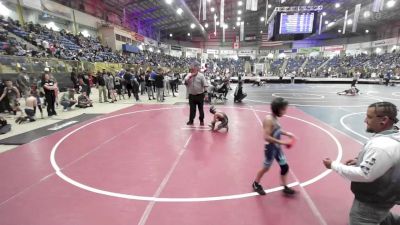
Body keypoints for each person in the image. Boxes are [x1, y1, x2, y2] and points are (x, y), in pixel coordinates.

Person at [323, 102, 400, 225]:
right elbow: (387, 161)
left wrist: (333, 165)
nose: (365, 120)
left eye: (369, 117)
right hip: (385, 196)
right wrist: (360, 161)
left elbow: (364, 174)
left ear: (384, 120)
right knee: (383, 217)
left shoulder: (382, 147)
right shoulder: (394, 135)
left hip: (371, 202)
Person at [252, 97, 296, 195]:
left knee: (285, 167)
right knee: (266, 168)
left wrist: (287, 133)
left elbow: (276, 129)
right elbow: (266, 137)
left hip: (277, 148)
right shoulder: (269, 120)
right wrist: (283, 143)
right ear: (278, 109)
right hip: (270, 149)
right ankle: (255, 183)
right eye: (284, 109)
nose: (285, 111)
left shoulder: (274, 118)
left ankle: (285, 187)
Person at [185, 61, 208, 126]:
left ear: (197, 68)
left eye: (194, 67)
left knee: (201, 109)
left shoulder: (201, 76)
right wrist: (190, 77)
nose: (192, 68)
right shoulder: (188, 75)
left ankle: (201, 120)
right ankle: (191, 121)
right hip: (191, 96)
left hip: (200, 95)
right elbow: (185, 83)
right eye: (192, 67)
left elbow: (205, 85)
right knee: (192, 110)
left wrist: (206, 94)